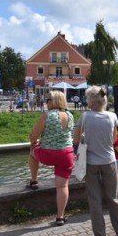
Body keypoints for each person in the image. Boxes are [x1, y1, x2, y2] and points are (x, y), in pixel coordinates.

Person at [73, 86, 118, 236]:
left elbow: (76, 140)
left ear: (90, 101)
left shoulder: (84, 117)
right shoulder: (112, 116)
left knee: (95, 199)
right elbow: (113, 139)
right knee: (114, 197)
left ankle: (99, 235)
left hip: (90, 162)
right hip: (109, 161)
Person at [27, 90, 74, 226]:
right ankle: (60, 217)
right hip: (66, 155)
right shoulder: (69, 115)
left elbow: (33, 135)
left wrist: (33, 143)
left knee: (32, 152)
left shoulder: (47, 115)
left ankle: (34, 181)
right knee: (62, 186)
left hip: (49, 154)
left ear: (54, 101)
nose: (46, 102)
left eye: (48, 100)